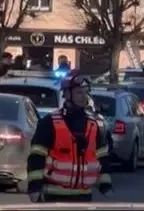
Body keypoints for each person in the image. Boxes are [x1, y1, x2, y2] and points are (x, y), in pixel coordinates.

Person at [26, 69, 112, 202]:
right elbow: (36, 156)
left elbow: (102, 156)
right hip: (54, 195)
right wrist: (35, 187)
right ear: (66, 94)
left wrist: (105, 184)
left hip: (84, 196)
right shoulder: (49, 122)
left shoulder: (94, 124)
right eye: (79, 93)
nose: (84, 97)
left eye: (85, 92)